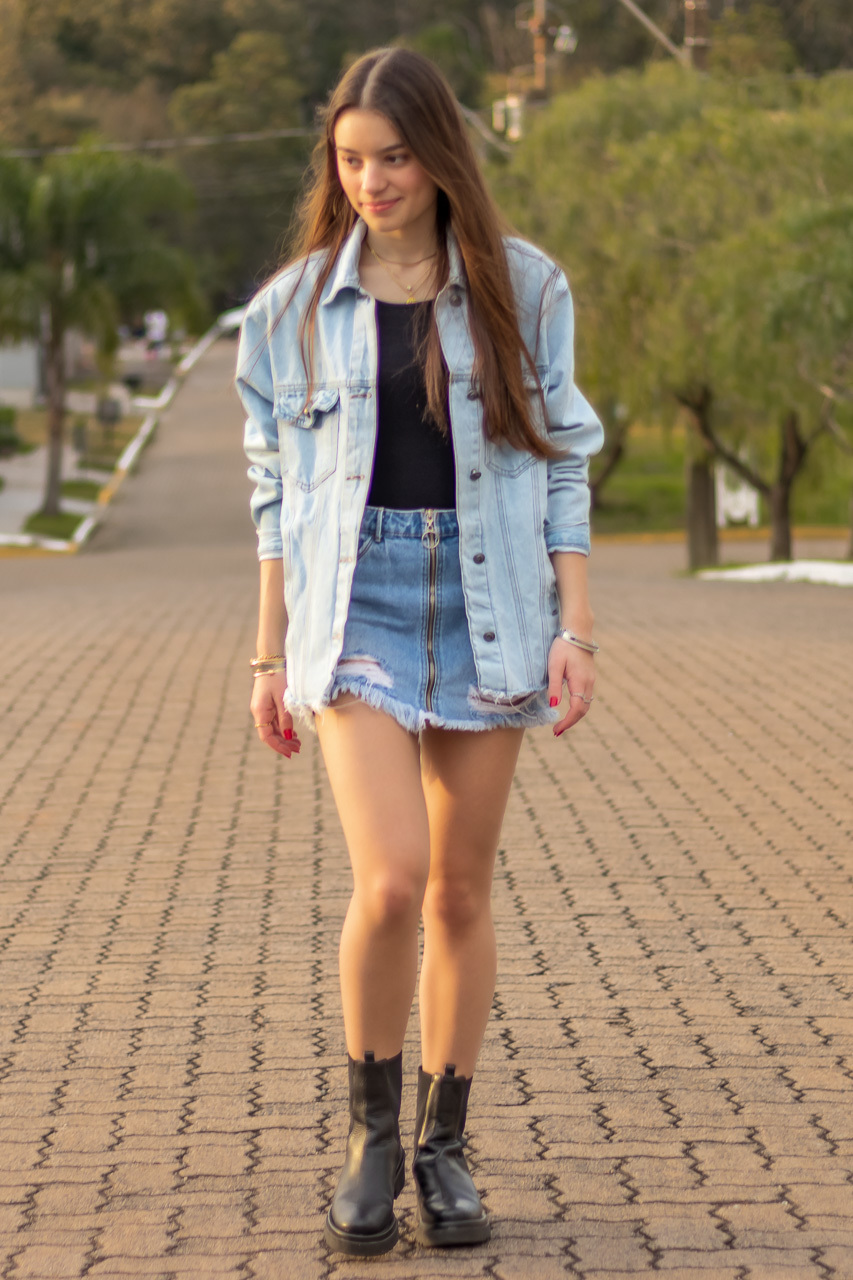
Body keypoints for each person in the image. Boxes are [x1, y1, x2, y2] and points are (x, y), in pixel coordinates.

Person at [236, 47, 603, 1258]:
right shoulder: (289, 309)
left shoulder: (522, 286)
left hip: (491, 598)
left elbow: (560, 462)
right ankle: (371, 1142)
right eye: (351, 159)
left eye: (394, 157)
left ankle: (446, 1148)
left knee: (457, 887)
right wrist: (266, 654)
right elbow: (274, 496)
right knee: (391, 875)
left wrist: (576, 630)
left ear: (441, 155)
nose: (373, 180)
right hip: (358, 610)